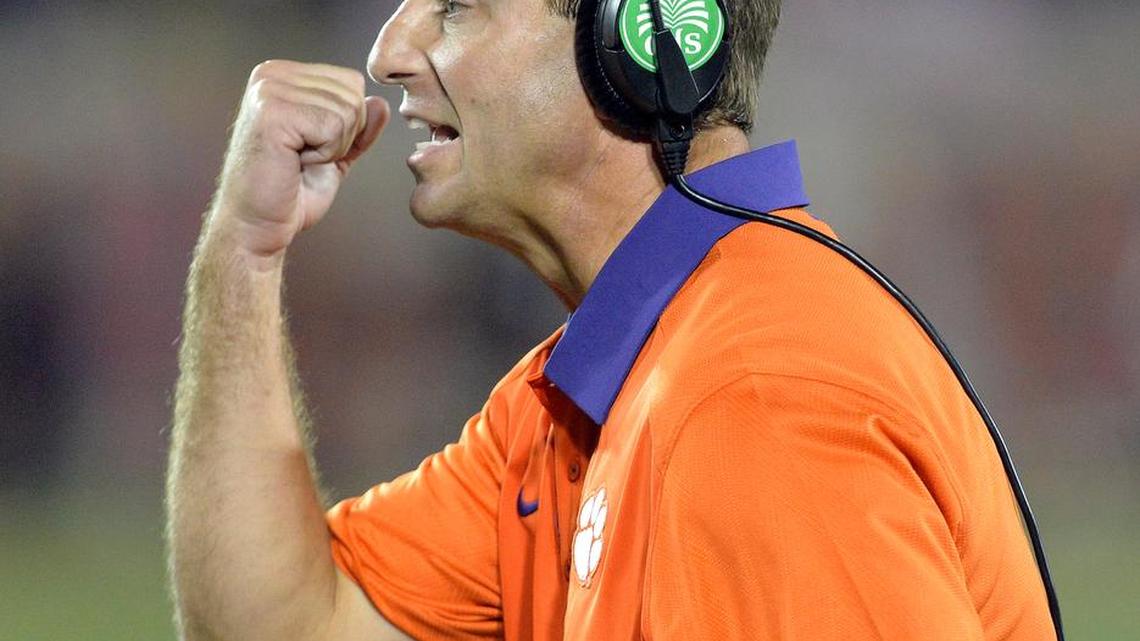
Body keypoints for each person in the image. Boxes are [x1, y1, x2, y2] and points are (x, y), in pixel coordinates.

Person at [165, 0, 1055, 639]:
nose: (390, 49)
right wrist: (244, 252)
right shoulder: (585, 401)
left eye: (457, 6)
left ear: (639, 35)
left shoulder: (750, 398)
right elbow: (283, 619)